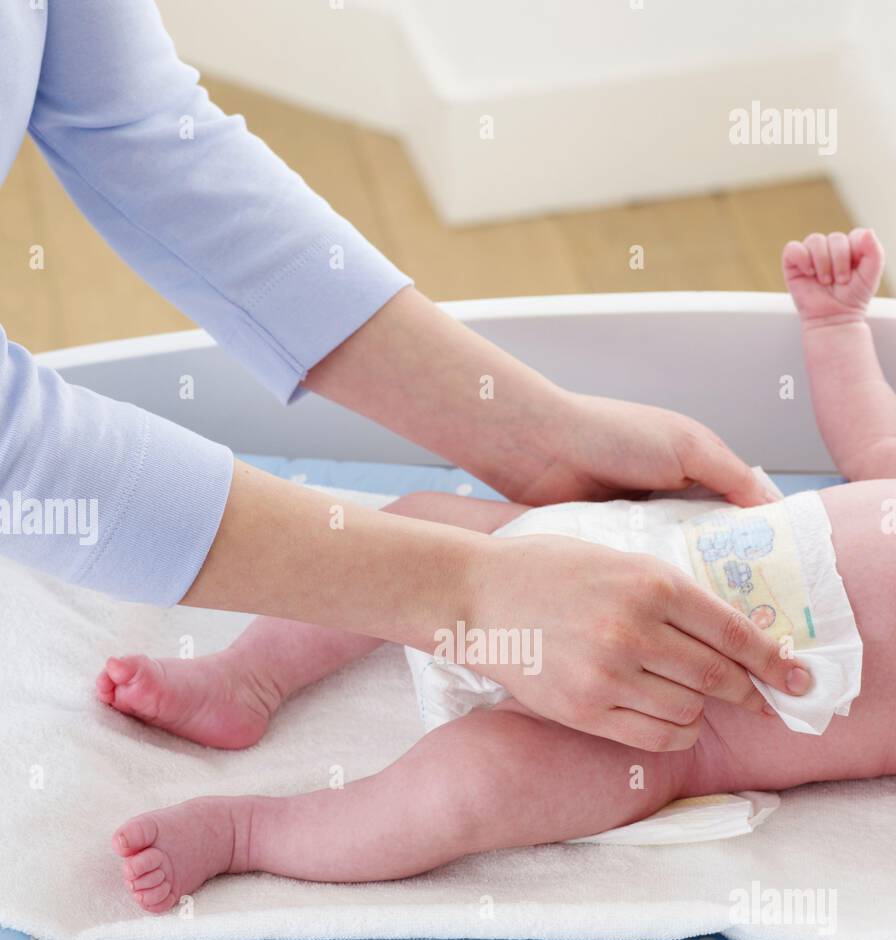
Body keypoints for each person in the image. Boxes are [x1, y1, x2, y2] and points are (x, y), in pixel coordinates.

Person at [1, 1, 808, 755]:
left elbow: (133, 125)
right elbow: (16, 456)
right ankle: (245, 798)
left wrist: (533, 440)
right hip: (582, 630)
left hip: (611, 602)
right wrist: (470, 597)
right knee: (466, 774)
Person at [103, 229, 896, 910]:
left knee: (464, 793)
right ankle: (244, 679)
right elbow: (873, 445)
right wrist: (836, 326)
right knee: (411, 532)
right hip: (618, 549)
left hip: (664, 728)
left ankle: (247, 831)